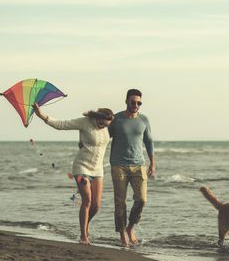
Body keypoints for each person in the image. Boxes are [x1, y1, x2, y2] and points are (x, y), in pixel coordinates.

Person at [33, 103, 114, 245]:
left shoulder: (107, 126)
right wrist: (42, 116)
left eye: (106, 126)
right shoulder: (84, 122)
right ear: (97, 118)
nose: (102, 127)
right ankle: (83, 235)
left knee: (96, 205)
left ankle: (85, 225)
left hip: (98, 170)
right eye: (101, 124)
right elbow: (61, 124)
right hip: (81, 167)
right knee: (87, 200)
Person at [109, 89, 155, 246]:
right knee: (120, 202)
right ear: (126, 101)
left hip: (138, 165)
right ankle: (122, 234)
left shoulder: (144, 120)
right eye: (133, 102)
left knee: (141, 200)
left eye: (139, 103)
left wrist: (152, 163)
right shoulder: (116, 119)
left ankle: (130, 227)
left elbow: (149, 142)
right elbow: (103, 136)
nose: (136, 105)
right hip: (118, 165)